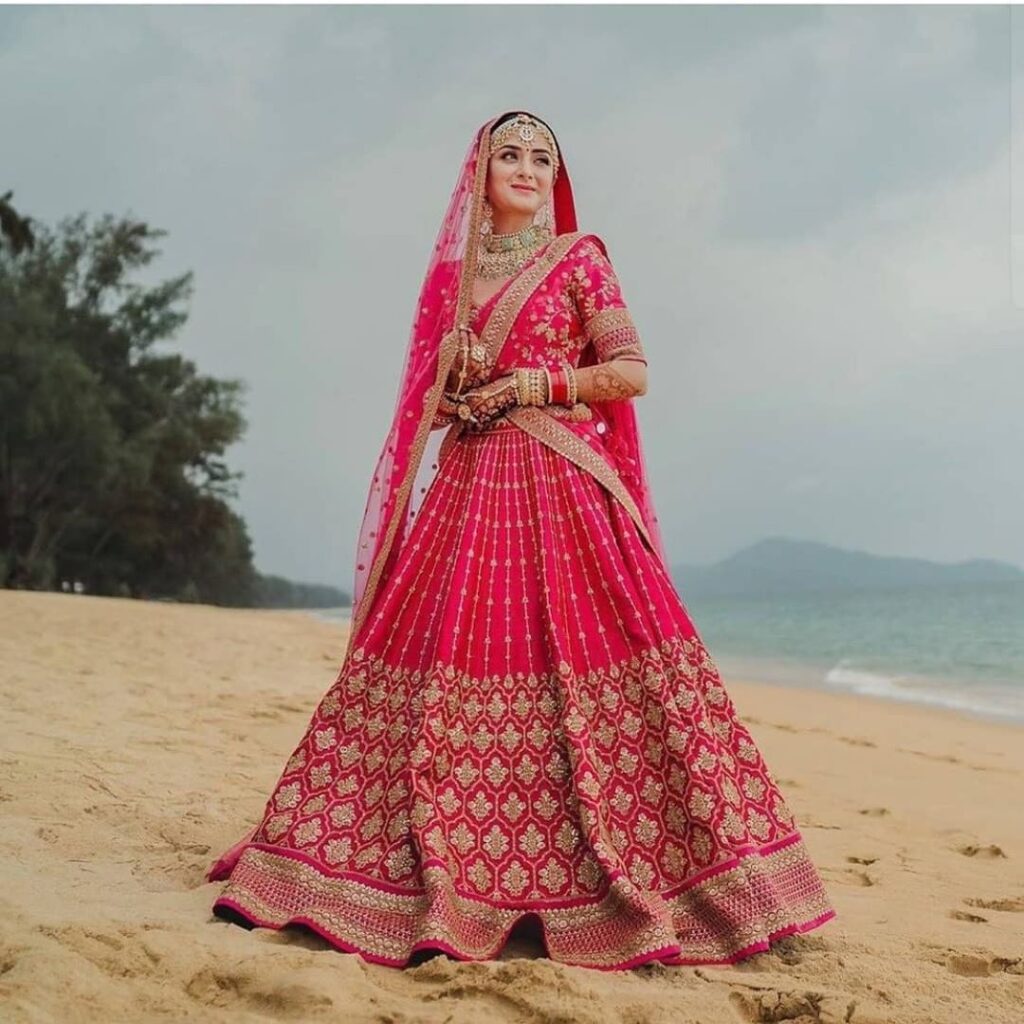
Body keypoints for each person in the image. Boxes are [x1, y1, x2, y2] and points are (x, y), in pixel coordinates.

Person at [206, 110, 837, 970]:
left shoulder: (581, 259)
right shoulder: (454, 281)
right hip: (470, 489)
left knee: (599, 659)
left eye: (544, 157)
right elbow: (426, 394)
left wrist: (536, 380)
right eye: (511, 153)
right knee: (447, 664)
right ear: (481, 173)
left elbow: (632, 372)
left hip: (566, 485)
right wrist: (458, 379)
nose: (529, 168)